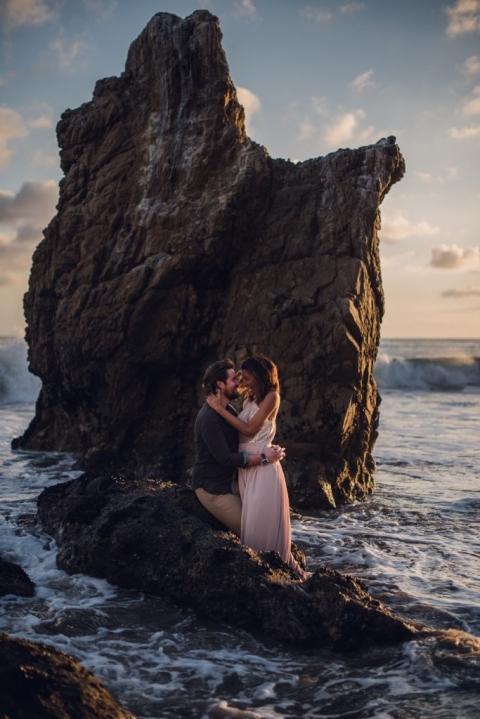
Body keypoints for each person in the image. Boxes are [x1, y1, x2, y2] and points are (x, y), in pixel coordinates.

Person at [207, 355, 308, 580]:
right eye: (242, 378)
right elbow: (241, 431)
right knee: (251, 529)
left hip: (264, 471)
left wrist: (219, 409)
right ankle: (262, 576)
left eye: (248, 377)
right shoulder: (248, 400)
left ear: (261, 376)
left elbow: (251, 429)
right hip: (247, 470)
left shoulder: (272, 397)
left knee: (261, 529)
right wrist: (235, 384)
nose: (245, 382)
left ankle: (281, 577)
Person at [191, 359, 284, 537]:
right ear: (220, 384)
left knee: (267, 523)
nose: (240, 383)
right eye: (235, 379)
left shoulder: (230, 410)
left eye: (242, 378)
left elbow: (250, 431)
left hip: (234, 482)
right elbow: (226, 458)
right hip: (213, 488)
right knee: (253, 531)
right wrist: (264, 457)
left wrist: (269, 446)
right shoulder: (209, 418)